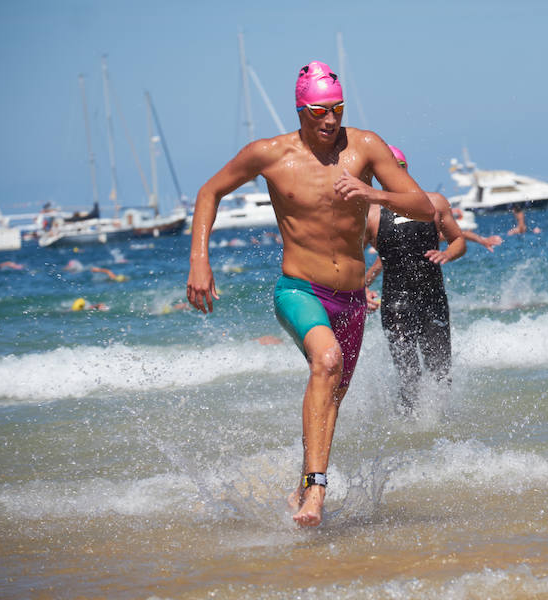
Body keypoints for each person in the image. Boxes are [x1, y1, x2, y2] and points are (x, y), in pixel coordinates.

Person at [186, 61, 434, 527]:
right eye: (320, 111)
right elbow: (209, 192)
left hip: (352, 300)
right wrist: (200, 258)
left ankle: (301, 490)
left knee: (332, 394)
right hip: (299, 289)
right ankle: (318, 488)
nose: (331, 119)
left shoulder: (365, 146)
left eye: (337, 109)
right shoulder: (269, 154)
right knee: (327, 360)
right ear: (301, 110)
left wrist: (372, 194)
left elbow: (423, 206)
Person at [363, 145, 466, 413]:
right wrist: (359, 290)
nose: (394, 174)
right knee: (408, 375)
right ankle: (409, 425)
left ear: (406, 168)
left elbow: (458, 240)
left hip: (433, 298)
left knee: (441, 371)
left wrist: (448, 254)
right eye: (387, 169)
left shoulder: (435, 202)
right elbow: (348, 258)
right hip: (396, 303)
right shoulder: (371, 214)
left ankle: (439, 424)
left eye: (399, 168)